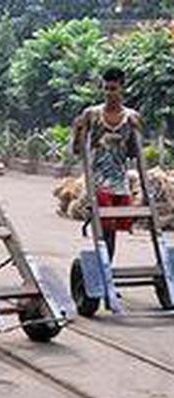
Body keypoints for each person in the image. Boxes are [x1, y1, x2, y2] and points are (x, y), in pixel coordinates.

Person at [71, 66, 142, 260]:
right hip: (99, 180)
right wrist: (78, 132)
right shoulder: (92, 115)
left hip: (120, 180)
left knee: (112, 232)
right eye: (106, 89)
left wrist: (134, 136)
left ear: (122, 89)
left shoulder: (131, 117)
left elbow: (135, 153)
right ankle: (105, 274)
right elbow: (77, 149)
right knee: (105, 229)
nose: (110, 93)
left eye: (114, 89)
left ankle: (105, 269)